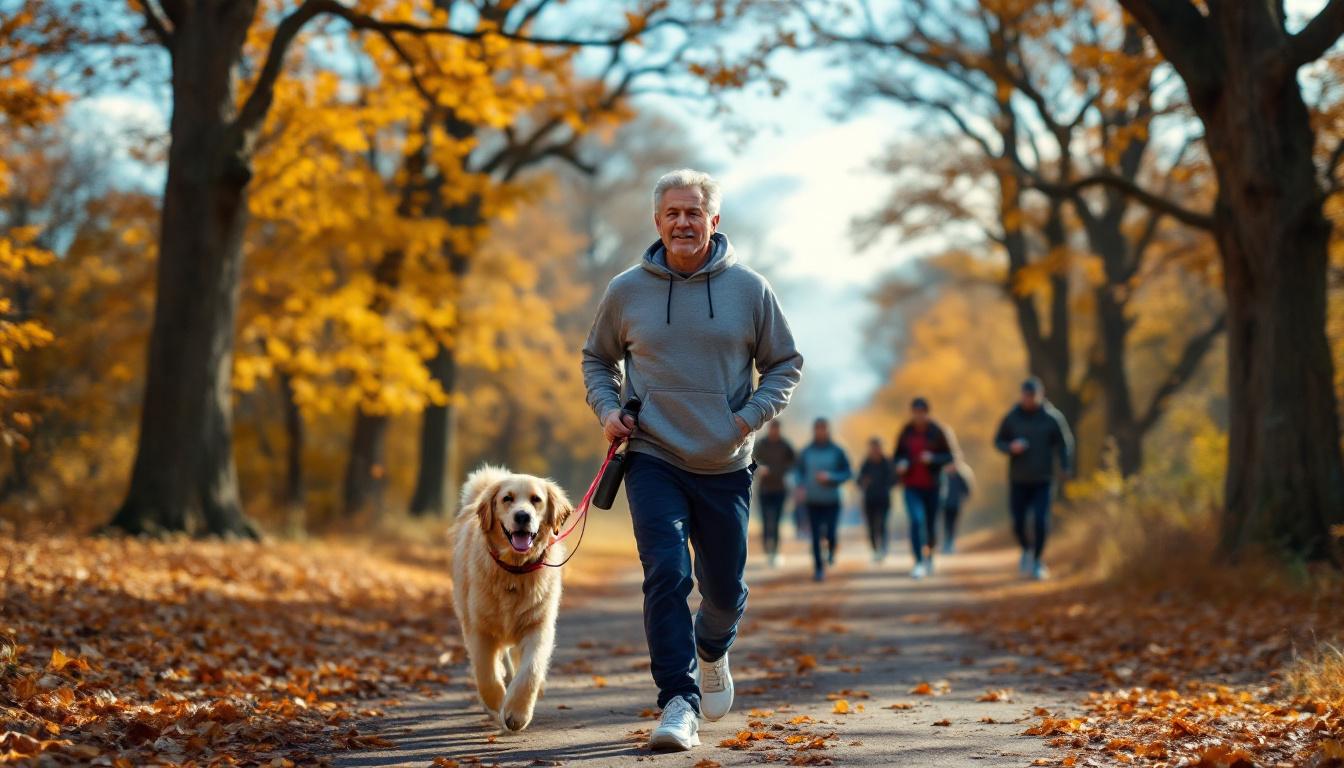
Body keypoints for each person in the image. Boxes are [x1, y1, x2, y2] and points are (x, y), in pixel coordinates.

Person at [582, 169, 803, 752]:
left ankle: (714, 648)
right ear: (657, 222)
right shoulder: (627, 290)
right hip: (653, 454)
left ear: (714, 220)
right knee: (666, 574)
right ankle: (678, 702)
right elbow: (595, 360)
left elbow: (784, 363)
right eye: (672, 213)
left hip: (726, 462)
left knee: (724, 590)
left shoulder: (750, 289)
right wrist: (607, 409)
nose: (683, 222)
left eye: (694, 212)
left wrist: (745, 419)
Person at [993, 377, 1074, 581]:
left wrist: (1064, 466)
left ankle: (1037, 561)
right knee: (1018, 522)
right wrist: (1010, 447)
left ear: (1040, 395)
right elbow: (998, 441)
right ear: (1021, 395)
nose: (1028, 399)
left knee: (1040, 519)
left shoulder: (1052, 418)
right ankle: (1026, 550)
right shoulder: (1012, 417)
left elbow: (1065, 443)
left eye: (1032, 396)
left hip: (1043, 478)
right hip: (1018, 479)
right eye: (1026, 395)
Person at [892, 397, 955, 579]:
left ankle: (930, 555)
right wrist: (900, 464)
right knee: (916, 520)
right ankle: (918, 561)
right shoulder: (906, 431)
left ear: (927, 412)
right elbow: (896, 456)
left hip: (933, 486)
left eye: (922, 412)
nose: (918, 416)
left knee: (930, 524)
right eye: (915, 412)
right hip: (911, 486)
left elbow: (952, 456)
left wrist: (933, 459)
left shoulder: (938, 431)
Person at [793, 418, 851, 582]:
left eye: (823, 428)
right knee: (816, 535)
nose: (820, 431)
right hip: (812, 500)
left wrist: (832, 477)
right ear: (814, 430)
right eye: (817, 428)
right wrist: (800, 485)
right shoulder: (806, 451)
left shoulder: (838, 451)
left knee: (831, 533)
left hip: (833, 500)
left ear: (828, 430)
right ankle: (819, 569)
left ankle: (832, 550)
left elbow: (847, 472)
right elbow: (798, 472)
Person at [753, 421, 796, 567]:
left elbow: (794, 462)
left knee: (777, 521)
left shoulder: (786, 445)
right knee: (765, 520)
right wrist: (759, 468)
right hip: (764, 489)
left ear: (780, 429)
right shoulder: (761, 444)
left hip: (780, 489)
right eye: (772, 428)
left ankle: (775, 552)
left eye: (777, 429)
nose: (774, 431)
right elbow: (751, 460)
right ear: (769, 429)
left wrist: (788, 474)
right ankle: (767, 548)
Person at [857, 437, 897, 563]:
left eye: (877, 447)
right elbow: (858, 480)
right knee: (871, 526)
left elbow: (895, 480)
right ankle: (875, 549)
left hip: (884, 498)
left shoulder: (887, 462)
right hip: (869, 499)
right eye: (873, 447)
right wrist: (864, 482)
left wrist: (886, 485)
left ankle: (883, 548)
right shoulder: (866, 463)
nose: (875, 450)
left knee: (882, 524)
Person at [939, 459, 975, 554]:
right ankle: (947, 543)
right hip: (945, 504)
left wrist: (963, 498)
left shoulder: (962, 475)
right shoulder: (943, 475)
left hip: (956, 504)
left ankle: (951, 543)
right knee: (946, 524)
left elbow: (967, 489)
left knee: (953, 524)